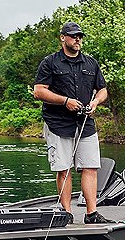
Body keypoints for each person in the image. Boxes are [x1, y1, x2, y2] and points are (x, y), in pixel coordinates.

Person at [34, 21, 113, 224]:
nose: (77, 39)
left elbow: (102, 90)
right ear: (63, 38)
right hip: (58, 123)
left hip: (85, 122)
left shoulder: (91, 63)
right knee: (64, 168)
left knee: (90, 167)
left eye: (80, 36)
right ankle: (67, 214)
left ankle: (92, 214)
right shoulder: (50, 62)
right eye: (73, 35)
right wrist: (65, 101)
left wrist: (95, 101)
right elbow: (39, 91)